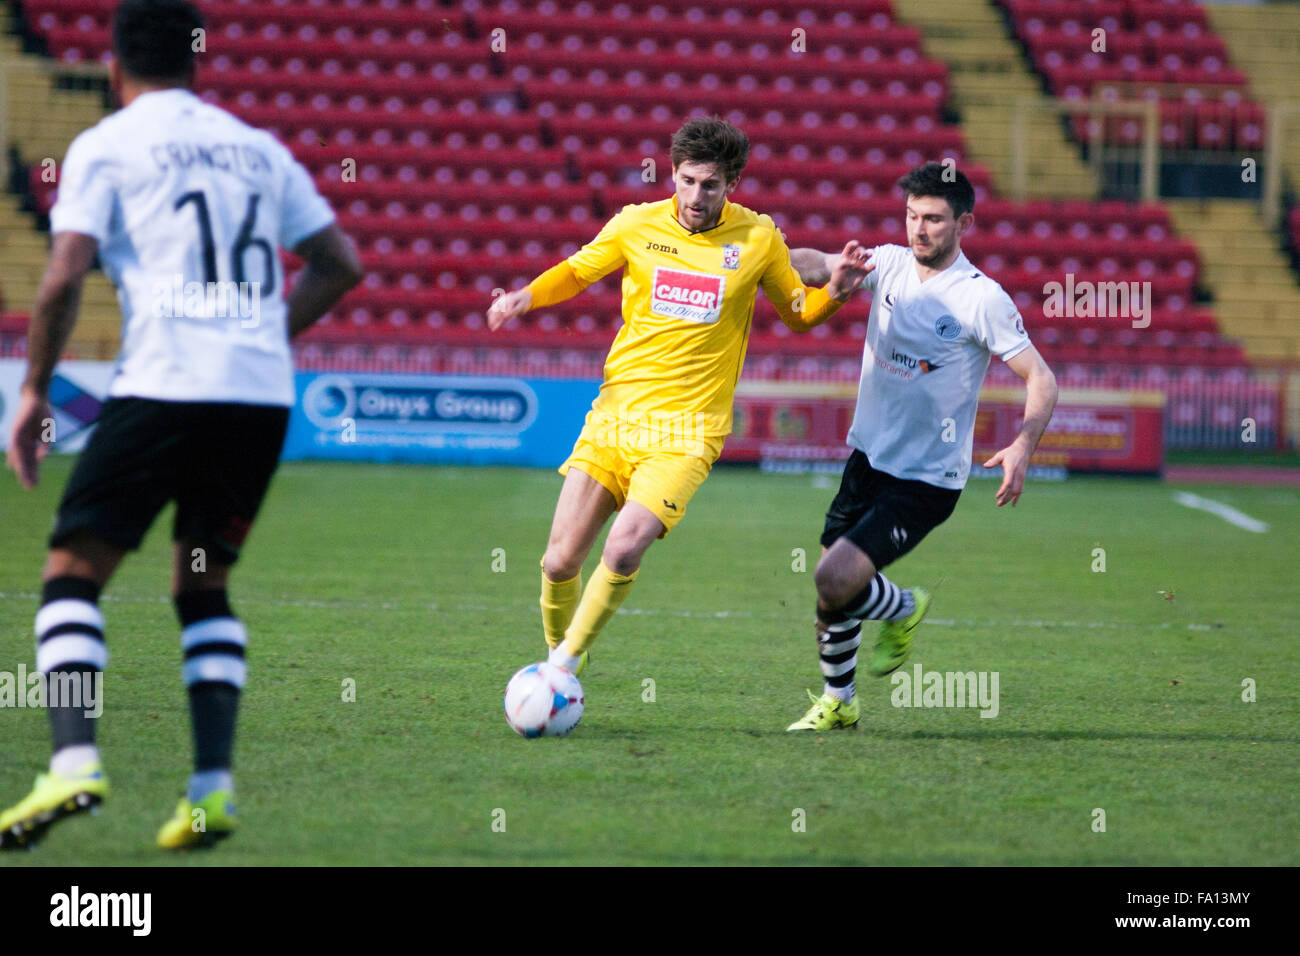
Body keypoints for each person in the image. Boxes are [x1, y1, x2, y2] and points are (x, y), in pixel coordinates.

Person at [0, 0, 362, 849]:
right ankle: (209, 791)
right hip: (256, 397)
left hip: (165, 386)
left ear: (115, 67)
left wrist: (33, 395)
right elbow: (341, 264)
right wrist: (259, 335)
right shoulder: (257, 149)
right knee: (202, 582)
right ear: (197, 63)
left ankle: (73, 763)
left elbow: (60, 281)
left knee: (71, 572)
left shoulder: (107, 145)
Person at [488, 116, 872, 680]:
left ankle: (560, 672)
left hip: (688, 433)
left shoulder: (757, 239)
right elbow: (575, 272)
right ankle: (561, 657)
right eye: (687, 181)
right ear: (672, 174)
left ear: (731, 185)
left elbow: (798, 315)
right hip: (614, 418)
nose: (696, 195)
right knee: (558, 561)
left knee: (623, 549)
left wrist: (834, 293)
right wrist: (527, 296)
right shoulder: (634, 225)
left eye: (710, 185)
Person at [784, 161, 1058, 731]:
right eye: (912, 216)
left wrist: (1023, 445)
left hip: (926, 480)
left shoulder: (982, 299)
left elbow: (1041, 377)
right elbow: (818, 266)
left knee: (833, 581)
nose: (919, 229)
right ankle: (841, 701)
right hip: (867, 458)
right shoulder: (884, 263)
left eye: (933, 218)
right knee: (833, 594)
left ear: (964, 223)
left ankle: (906, 607)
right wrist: (769, 259)